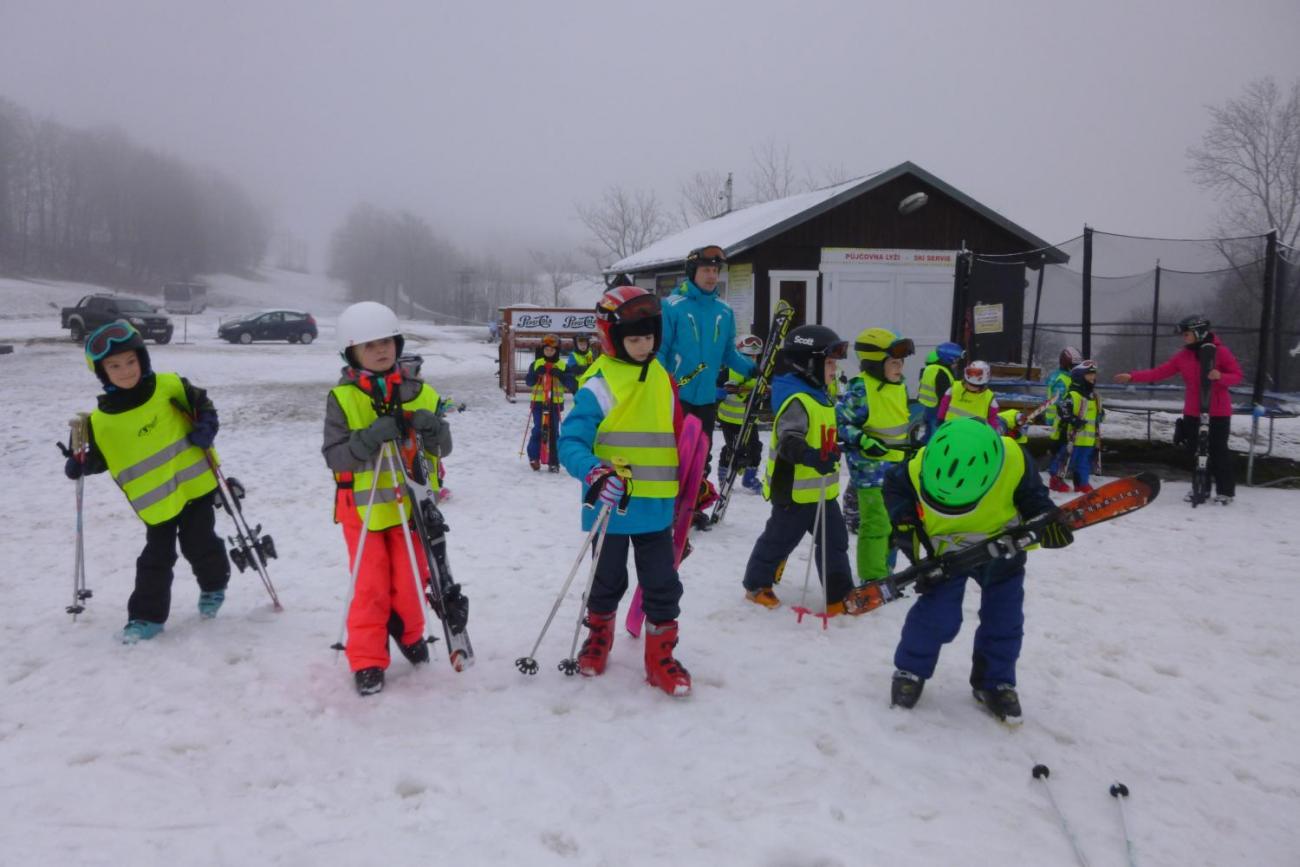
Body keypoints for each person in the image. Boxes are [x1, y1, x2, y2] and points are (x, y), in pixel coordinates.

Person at [886, 418, 1074, 723]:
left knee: (1004, 619)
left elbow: (1033, 498)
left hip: (1003, 548)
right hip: (946, 550)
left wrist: (1046, 519)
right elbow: (895, 488)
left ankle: (995, 682)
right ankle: (911, 669)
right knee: (936, 616)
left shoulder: (1014, 459)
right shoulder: (914, 466)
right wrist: (904, 521)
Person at [559, 285, 692, 697]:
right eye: (633, 337)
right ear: (611, 337)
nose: (643, 344)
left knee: (662, 585)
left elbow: (676, 436)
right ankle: (598, 638)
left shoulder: (663, 380)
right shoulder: (599, 383)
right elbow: (570, 443)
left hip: (655, 508)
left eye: (649, 335)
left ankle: (660, 656)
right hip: (611, 507)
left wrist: (694, 481)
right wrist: (595, 473)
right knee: (606, 581)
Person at [63, 320, 230, 644]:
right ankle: (145, 618)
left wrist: (206, 427)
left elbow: (203, 406)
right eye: (114, 366)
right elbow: (98, 458)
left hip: (195, 487)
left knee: (200, 543)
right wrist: (79, 464)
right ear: (103, 373)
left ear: (142, 359)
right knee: (156, 557)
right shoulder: (101, 422)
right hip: (156, 503)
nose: (126, 371)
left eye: (131, 361)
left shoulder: (170, 386)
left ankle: (214, 585)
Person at [322, 301, 453, 696]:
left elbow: (443, 449)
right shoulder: (343, 398)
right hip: (362, 511)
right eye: (368, 346)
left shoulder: (422, 391)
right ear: (352, 353)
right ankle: (366, 659)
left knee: (413, 580)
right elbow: (335, 455)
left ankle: (410, 634)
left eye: (385, 342)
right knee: (370, 586)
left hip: (411, 507)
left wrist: (433, 430)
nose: (380, 351)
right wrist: (370, 437)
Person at [741, 325, 856, 614]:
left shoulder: (821, 395)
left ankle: (838, 594)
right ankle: (757, 584)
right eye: (829, 363)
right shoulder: (797, 400)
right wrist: (811, 456)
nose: (833, 370)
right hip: (793, 492)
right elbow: (788, 441)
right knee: (779, 541)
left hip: (822, 491)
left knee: (835, 543)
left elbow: (824, 433)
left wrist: (836, 448)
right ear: (809, 364)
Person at [1113, 315, 1242, 504]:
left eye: (1187, 334)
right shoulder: (1184, 355)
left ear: (1199, 332)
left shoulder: (1220, 352)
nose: (1184, 337)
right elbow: (1160, 372)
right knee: (1196, 451)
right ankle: (1201, 488)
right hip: (1192, 411)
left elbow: (1237, 376)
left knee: (1218, 451)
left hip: (1217, 412)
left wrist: (1220, 376)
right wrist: (1132, 377)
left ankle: (1225, 492)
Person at [658, 245, 756, 490]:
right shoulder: (672, 306)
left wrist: (753, 370)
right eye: (706, 270)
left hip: (706, 398)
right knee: (675, 455)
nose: (712, 276)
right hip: (676, 395)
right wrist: (656, 385)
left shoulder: (724, 310)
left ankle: (693, 506)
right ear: (693, 272)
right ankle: (669, 507)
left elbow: (728, 354)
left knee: (702, 454)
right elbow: (659, 351)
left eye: (715, 270)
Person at [837, 328, 917, 584]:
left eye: (901, 362)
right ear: (874, 363)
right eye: (893, 362)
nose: (900, 368)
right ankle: (872, 578)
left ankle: (886, 570)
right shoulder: (862, 390)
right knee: (876, 523)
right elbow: (841, 423)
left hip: (896, 468)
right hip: (869, 469)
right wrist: (863, 440)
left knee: (894, 522)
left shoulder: (898, 387)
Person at [715, 335, 765, 494]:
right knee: (733, 449)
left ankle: (749, 479)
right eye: (747, 356)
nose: (751, 359)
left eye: (754, 356)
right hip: (729, 419)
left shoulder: (758, 371)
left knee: (755, 447)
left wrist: (761, 395)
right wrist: (723, 392)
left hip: (749, 419)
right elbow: (715, 390)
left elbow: (764, 389)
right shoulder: (728, 371)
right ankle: (724, 477)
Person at [1046, 360, 1103, 493]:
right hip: (1071, 436)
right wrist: (1073, 419)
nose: (1092, 378)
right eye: (1089, 375)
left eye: (1094, 375)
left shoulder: (1094, 396)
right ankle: (1056, 479)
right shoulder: (1073, 394)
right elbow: (1063, 409)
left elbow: (1097, 413)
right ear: (1079, 376)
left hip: (1088, 439)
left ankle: (1081, 483)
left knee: (1083, 463)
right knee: (1064, 458)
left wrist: (1100, 415)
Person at [524, 333, 575, 472]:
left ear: (557, 351)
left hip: (555, 403)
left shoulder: (562, 366)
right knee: (539, 429)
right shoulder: (536, 364)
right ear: (542, 350)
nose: (549, 352)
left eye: (552, 350)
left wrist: (561, 375)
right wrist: (535, 374)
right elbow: (529, 382)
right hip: (539, 403)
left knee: (553, 431)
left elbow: (572, 384)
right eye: (546, 350)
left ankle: (554, 461)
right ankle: (534, 457)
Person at [917, 342, 965, 439]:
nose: (957, 363)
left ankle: (921, 447)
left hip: (925, 405)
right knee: (937, 435)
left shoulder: (930, 368)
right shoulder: (942, 372)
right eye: (956, 359)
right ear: (950, 359)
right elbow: (944, 396)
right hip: (936, 409)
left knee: (927, 430)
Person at [938, 360, 1001, 427]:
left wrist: (991, 432)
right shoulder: (954, 388)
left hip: (973, 433)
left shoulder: (989, 398)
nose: (971, 387)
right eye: (969, 384)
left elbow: (992, 420)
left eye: (974, 386)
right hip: (951, 429)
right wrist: (940, 419)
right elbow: (944, 405)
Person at [1043, 346, 1082, 430]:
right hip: (1058, 422)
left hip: (1063, 420)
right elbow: (1060, 402)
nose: (1076, 368)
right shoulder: (1060, 380)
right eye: (1073, 366)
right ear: (1066, 364)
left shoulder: (1068, 377)